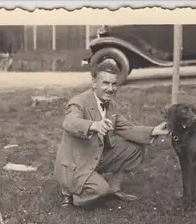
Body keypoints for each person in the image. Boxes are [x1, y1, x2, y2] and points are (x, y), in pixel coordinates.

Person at [53, 60, 170, 207]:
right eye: (105, 83)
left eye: (114, 84)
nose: (110, 89)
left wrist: (154, 130)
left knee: (135, 149)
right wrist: (93, 125)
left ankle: (114, 189)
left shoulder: (111, 105)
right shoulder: (78, 102)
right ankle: (72, 195)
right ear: (94, 83)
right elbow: (69, 122)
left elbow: (126, 128)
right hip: (78, 162)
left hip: (97, 155)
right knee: (101, 190)